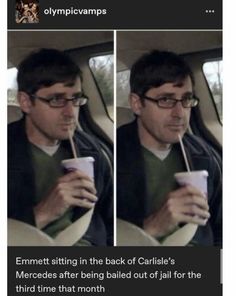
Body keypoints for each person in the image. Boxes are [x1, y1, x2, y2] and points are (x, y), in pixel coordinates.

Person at [8, 48, 113, 246]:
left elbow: (112, 223)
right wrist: (44, 212)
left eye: (75, 99)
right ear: (25, 102)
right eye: (56, 99)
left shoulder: (92, 151)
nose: (70, 112)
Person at [117, 50, 222, 246]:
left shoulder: (206, 158)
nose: (180, 113)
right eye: (166, 100)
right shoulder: (112, 155)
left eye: (186, 99)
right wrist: (152, 228)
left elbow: (221, 230)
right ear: (137, 104)